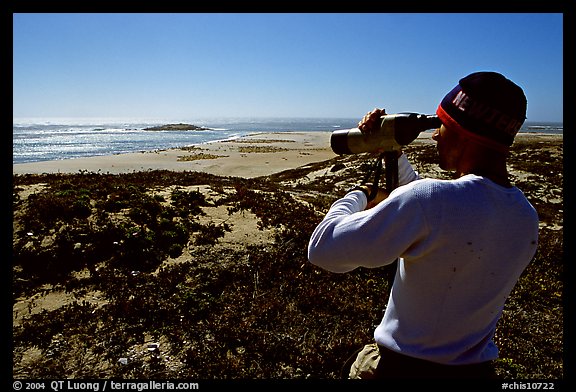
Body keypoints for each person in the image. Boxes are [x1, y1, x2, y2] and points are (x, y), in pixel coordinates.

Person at [307, 71, 539, 379]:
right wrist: (392, 150)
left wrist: (358, 194)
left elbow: (323, 249)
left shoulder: (431, 204)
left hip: (402, 369)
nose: (434, 134)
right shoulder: (525, 216)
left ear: (462, 131)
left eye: (442, 125)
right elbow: (445, 213)